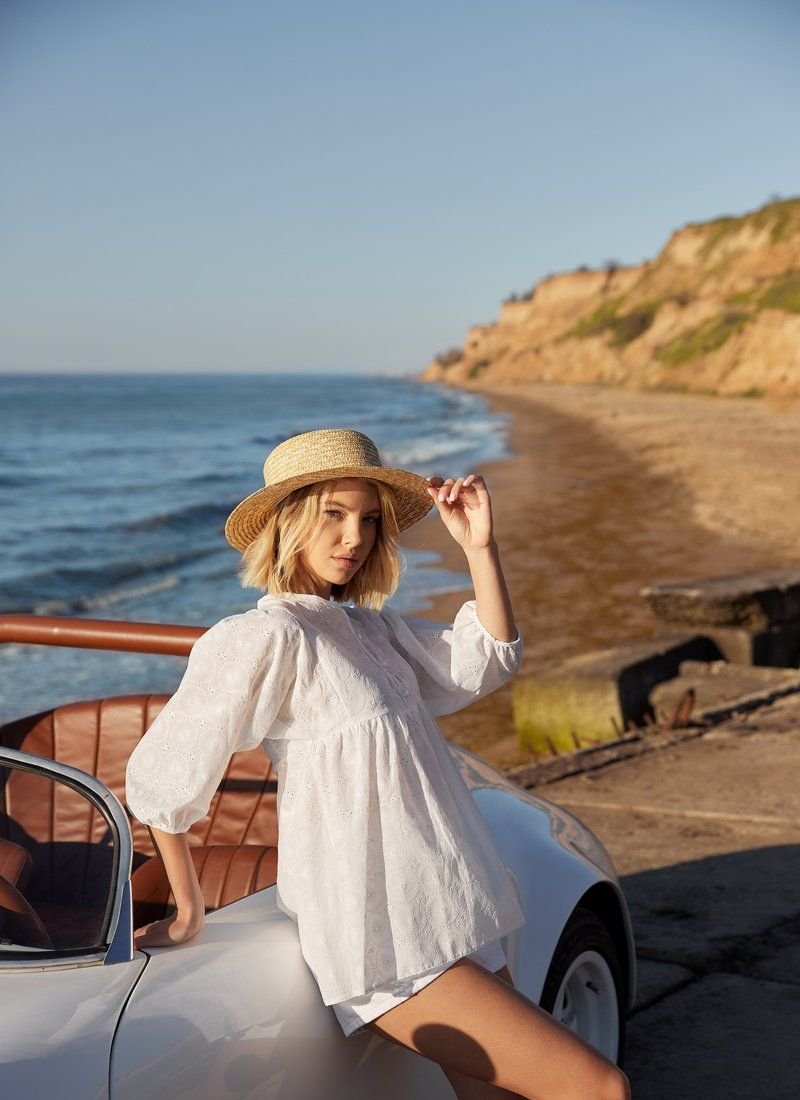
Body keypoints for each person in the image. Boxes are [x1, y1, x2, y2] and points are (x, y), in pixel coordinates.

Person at [125, 428, 630, 1100]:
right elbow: (164, 774)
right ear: (289, 521)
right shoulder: (264, 636)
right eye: (333, 514)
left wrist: (479, 548)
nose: (354, 537)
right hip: (382, 938)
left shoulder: (372, 627)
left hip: (449, 908)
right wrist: (187, 909)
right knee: (599, 1086)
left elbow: (486, 660)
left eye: (367, 519)